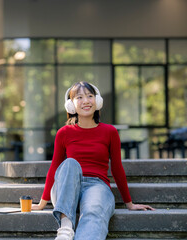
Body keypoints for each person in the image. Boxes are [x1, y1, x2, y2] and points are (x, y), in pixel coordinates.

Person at [31, 81, 154, 240]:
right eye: (80, 97)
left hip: (97, 186)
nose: (86, 101)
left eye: (90, 96)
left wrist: (129, 203)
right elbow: (55, 167)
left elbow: (116, 168)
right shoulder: (64, 133)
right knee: (70, 163)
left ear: (97, 101)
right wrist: (42, 203)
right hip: (66, 186)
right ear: (71, 105)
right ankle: (66, 229)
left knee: (93, 210)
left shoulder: (110, 132)